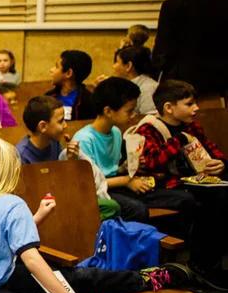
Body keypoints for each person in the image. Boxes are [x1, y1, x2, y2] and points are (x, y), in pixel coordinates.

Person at [0, 135, 188, 293]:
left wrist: (36, 217)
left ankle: (144, 279)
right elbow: (31, 259)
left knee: (76, 277)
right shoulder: (3, 204)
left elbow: (3, 239)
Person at [132, 79, 227, 287]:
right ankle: (202, 264)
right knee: (207, 199)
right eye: (189, 104)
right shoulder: (149, 129)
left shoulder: (191, 125)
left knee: (221, 191)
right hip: (161, 186)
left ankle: (213, 260)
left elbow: (210, 149)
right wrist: (180, 140)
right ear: (169, 107)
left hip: (194, 181)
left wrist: (220, 163)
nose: (196, 108)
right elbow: (153, 162)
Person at [73, 77, 195, 225]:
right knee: (137, 209)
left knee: (185, 199)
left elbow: (112, 170)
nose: (133, 116)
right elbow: (89, 184)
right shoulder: (85, 139)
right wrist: (127, 180)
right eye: (129, 111)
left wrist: (126, 167)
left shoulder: (115, 132)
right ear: (108, 111)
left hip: (120, 185)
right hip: (101, 192)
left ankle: (170, 239)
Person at [153, 0, 228, 97]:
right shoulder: (225, 1)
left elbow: (162, 50)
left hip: (184, 85)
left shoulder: (173, 5)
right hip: (221, 84)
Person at [15, 96, 82, 165]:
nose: (65, 125)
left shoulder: (55, 144)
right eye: (60, 121)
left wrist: (70, 159)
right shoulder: (21, 156)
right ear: (43, 126)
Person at [46, 50, 96, 121]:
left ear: (68, 73)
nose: (51, 70)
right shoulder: (48, 97)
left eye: (57, 67)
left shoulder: (88, 102)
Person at [113, 45, 158, 116]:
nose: (113, 66)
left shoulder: (148, 88)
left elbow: (149, 118)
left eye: (117, 62)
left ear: (128, 66)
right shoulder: (122, 85)